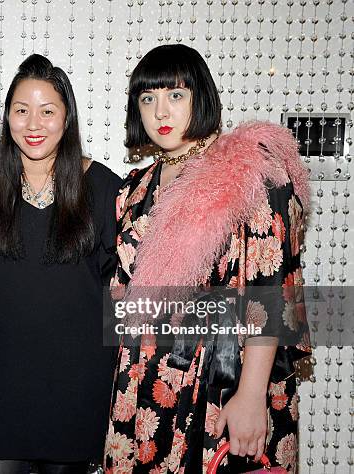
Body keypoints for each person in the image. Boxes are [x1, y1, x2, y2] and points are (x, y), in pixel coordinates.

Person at [103, 44, 311, 473]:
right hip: (144, 382)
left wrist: (252, 395)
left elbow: (269, 290)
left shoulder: (249, 171)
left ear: (202, 97)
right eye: (148, 98)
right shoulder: (134, 189)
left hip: (221, 380)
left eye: (175, 95)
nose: (161, 110)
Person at [0, 54, 122, 474]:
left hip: (76, 385)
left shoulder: (103, 187)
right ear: (7, 117)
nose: (33, 124)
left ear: (66, 118)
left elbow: (138, 278)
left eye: (47, 111)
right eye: (21, 110)